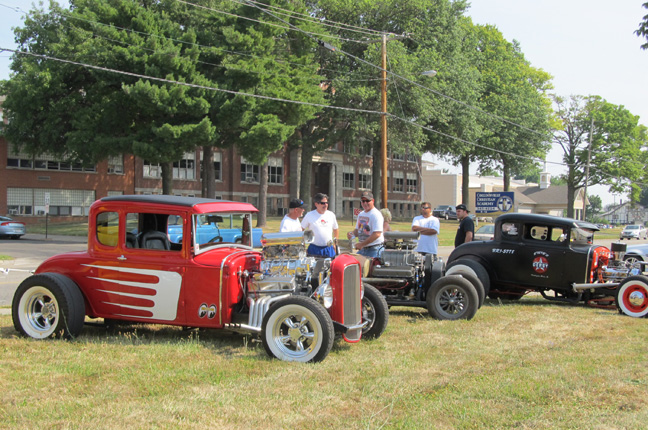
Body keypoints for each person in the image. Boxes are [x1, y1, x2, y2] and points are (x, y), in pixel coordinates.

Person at [347, 191, 384, 258]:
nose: (365, 203)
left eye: (367, 201)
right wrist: (351, 234)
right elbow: (358, 230)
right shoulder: (361, 214)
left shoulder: (376, 214)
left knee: (370, 268)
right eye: (363, 201)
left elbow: (377, 234)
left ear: (373, 201)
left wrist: (361, 244)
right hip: (363, 249)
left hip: (374, 249)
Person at [301, 193, 338, 257]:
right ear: (316, 204)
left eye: (326, 203)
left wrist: (335, 244)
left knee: (331, 266)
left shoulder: (331, 215)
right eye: (322, 203)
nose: (325, 205)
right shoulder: (309, 215)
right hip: (314, 249)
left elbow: (336, 229)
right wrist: (303, 245)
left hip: (328, 249)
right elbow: (301, 230)